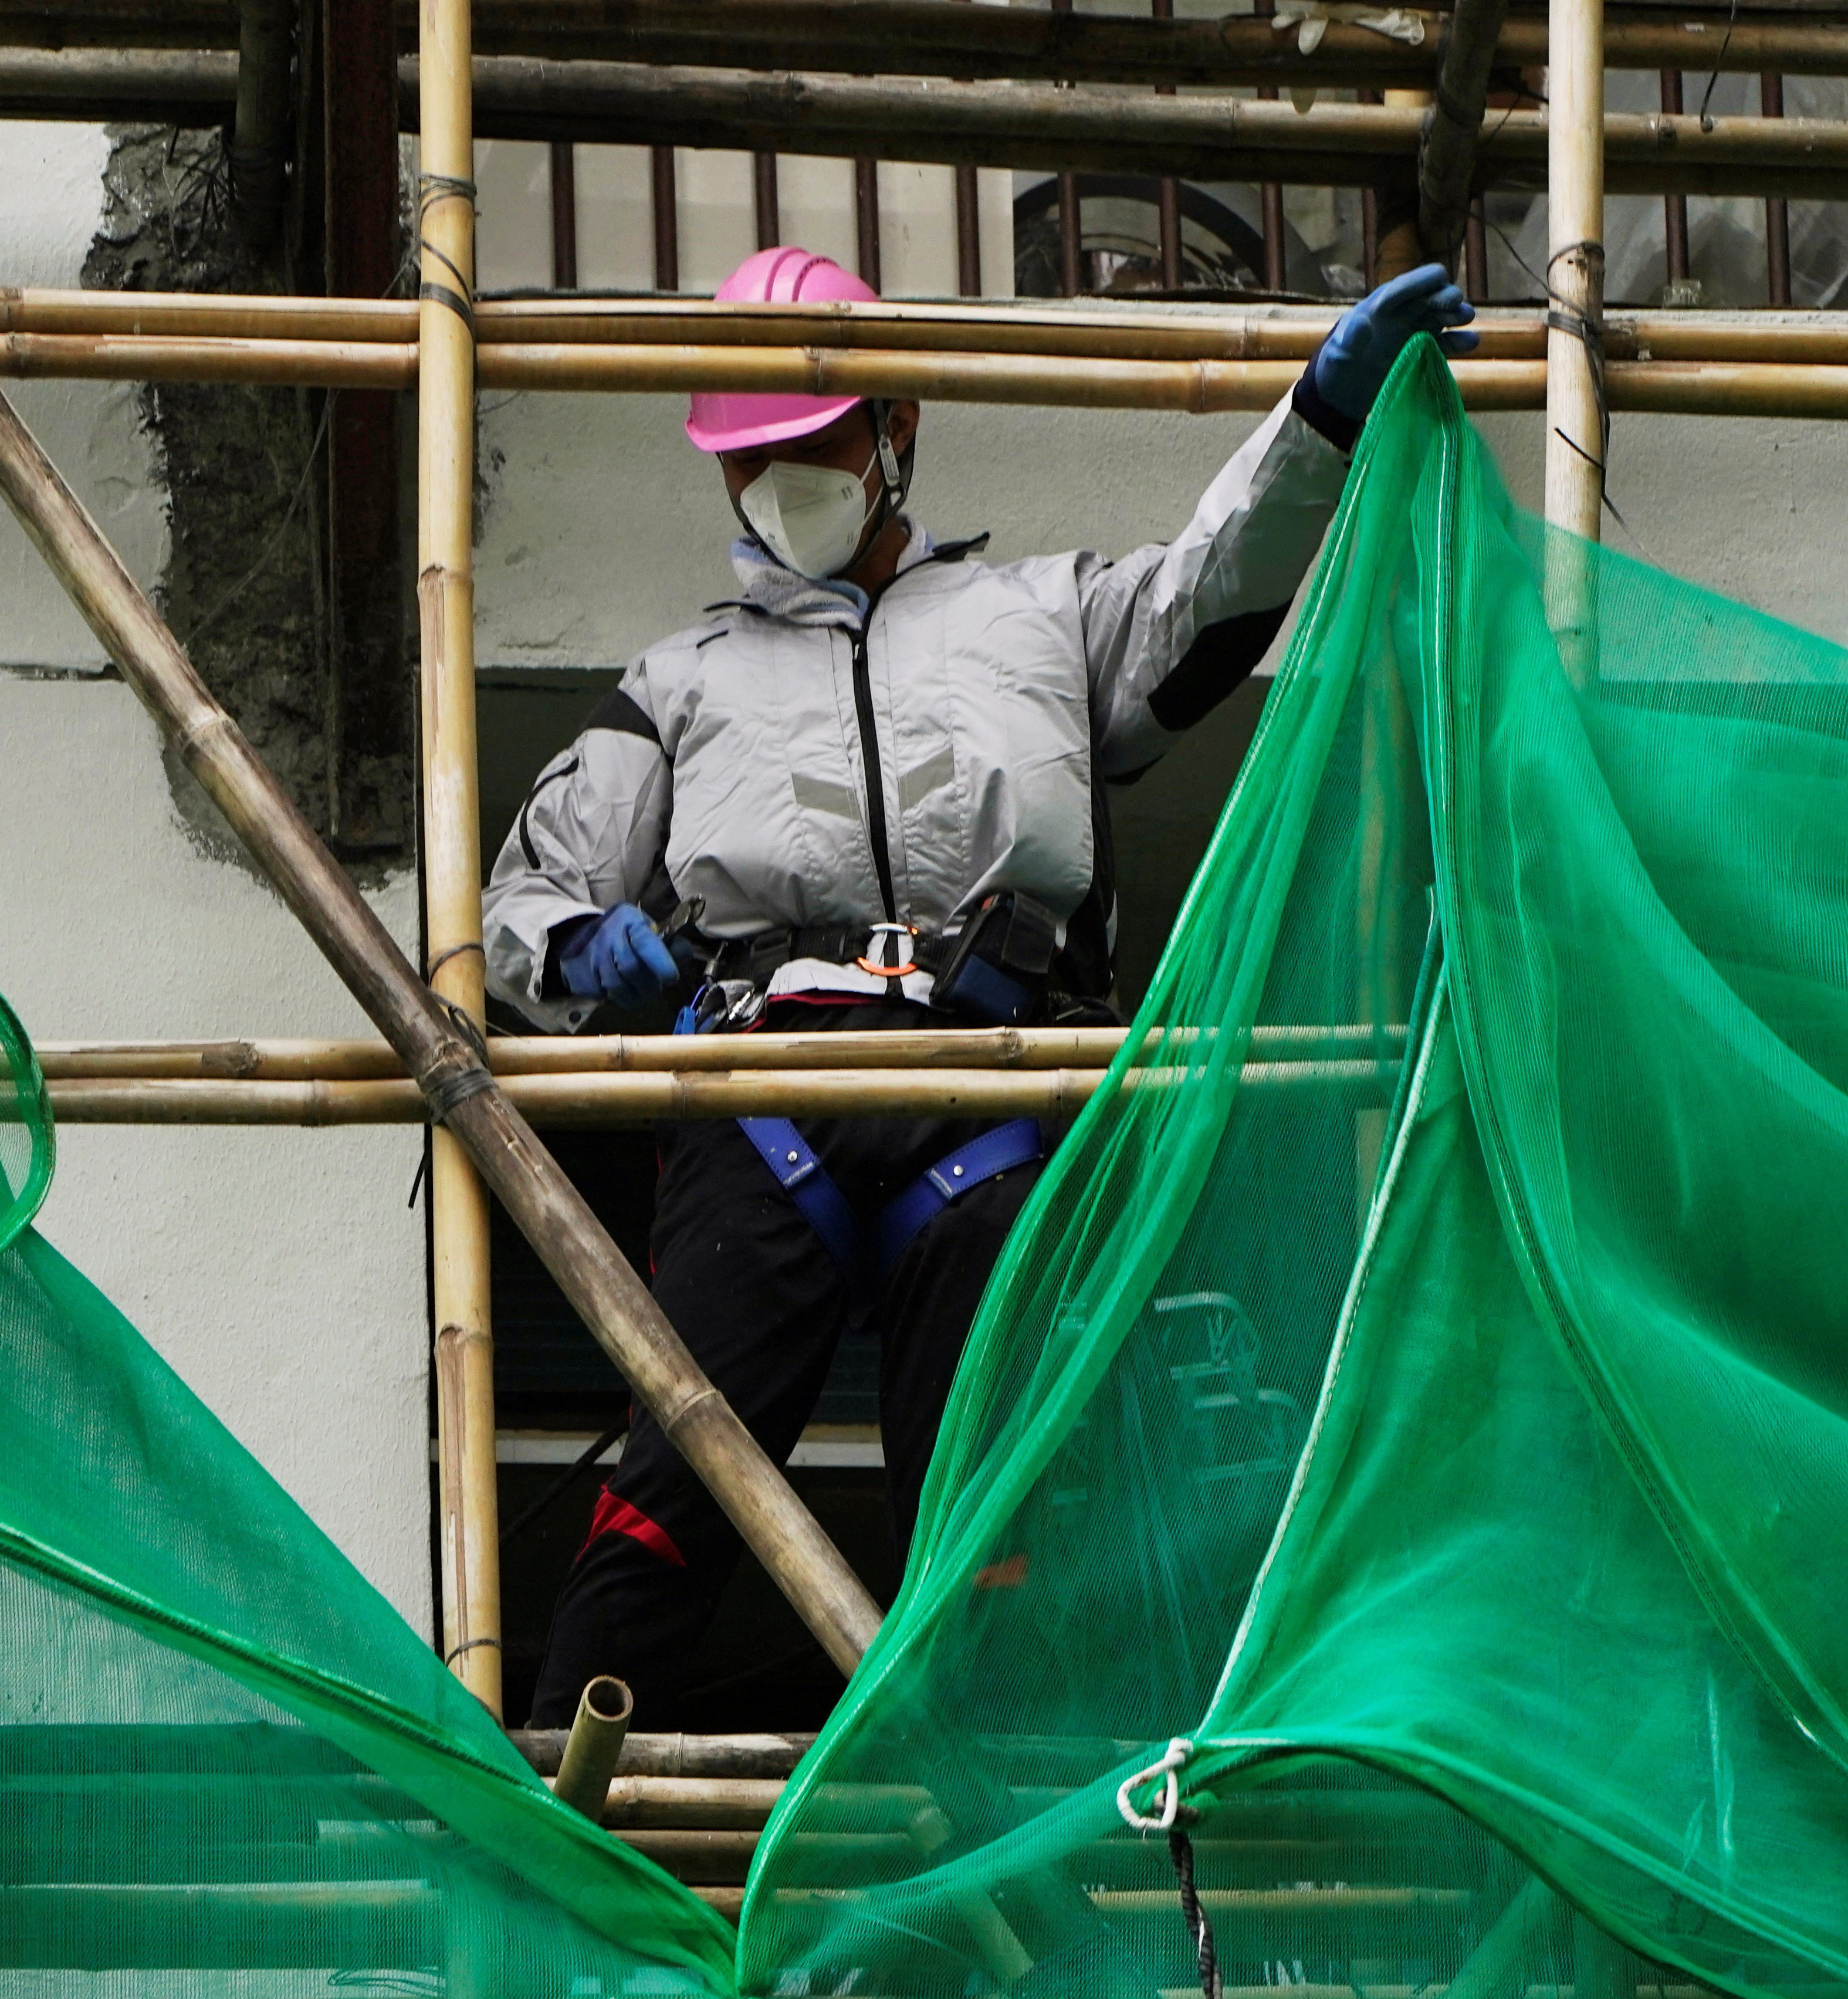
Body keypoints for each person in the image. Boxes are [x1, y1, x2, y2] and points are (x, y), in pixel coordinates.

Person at [486, 243, 1475, 1725]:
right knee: (677, 1479)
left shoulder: (1040, 618)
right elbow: (520, 897)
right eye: (746, 464)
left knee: (1002, 1495)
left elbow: (1211, 594)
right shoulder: (680, 681)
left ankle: (995, 1848)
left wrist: (1314, 421)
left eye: (809, 445)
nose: (776, 486)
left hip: (992, 1084)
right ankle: (554, 1839)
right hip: (766, 1093)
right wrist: (574, 950)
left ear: (896, 430)